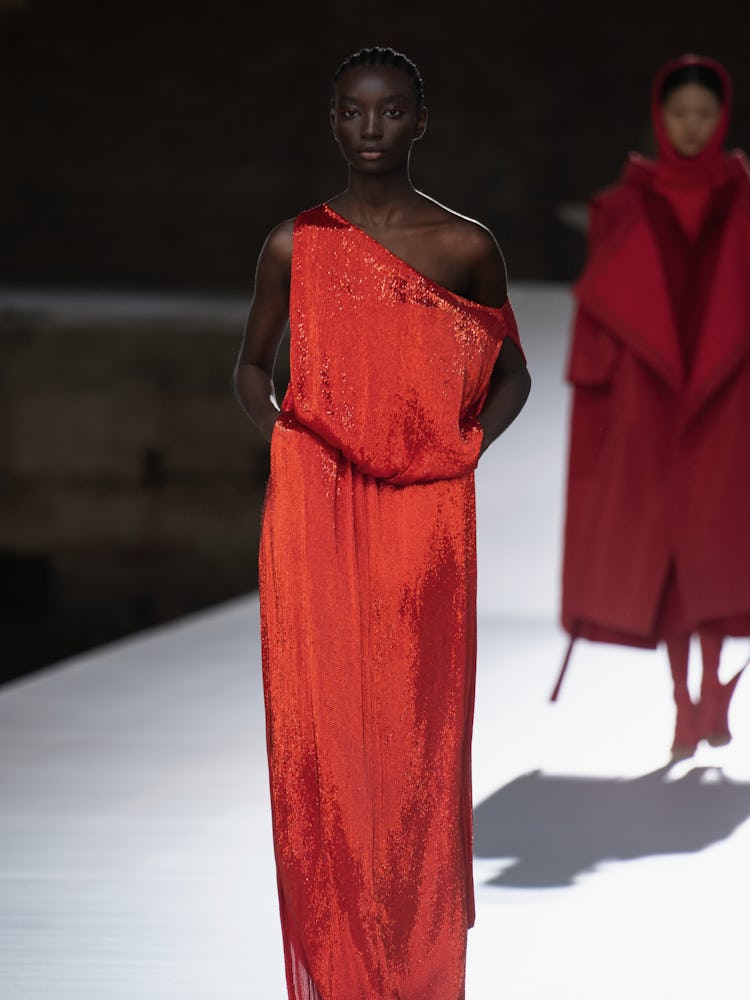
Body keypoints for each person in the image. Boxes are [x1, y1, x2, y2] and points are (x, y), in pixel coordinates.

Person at [234, 46, 530, 1000]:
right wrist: (287, 444)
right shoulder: (296, 243)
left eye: (391, 113)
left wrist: (468, 445)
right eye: (355, 114)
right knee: (321, 733)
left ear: (420, 122)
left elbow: (512, 369)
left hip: (428, 514)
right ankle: (342, 962)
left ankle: (416, 960)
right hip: (315, 510)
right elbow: (251, 367)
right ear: (333, 121)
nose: (372, 131)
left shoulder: (464, 245)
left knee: (417, 736)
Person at [557, 54, 750, 761]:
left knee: (718, 547)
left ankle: (710, 686)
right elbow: (599, 319)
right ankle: (684, 699)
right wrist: (600, 403)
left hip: (730, 395)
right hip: (650, 395)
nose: (693, 127)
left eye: (705, 115)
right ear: (660, 118)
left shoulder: (744, 198)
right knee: (668, 554)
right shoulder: (623, 206)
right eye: (680, 115)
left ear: (723, 118)